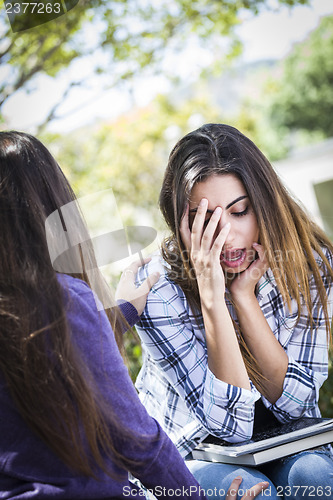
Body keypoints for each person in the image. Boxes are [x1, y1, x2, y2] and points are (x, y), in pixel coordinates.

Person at [0, 131, 269, 500]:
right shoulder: (63, 300)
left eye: (239, 211)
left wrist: (120, 314)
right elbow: (139, 442)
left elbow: (54, 367)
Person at [135, 123, 333, 499]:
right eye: (205, 221)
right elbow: (230, 427)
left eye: (239, 211)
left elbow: (297, 405)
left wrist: (245, 299)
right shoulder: (158, 291)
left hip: (285, 443)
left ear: (265, 204)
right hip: (194, 451)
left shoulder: (310, 266)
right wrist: (212, 298)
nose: (225, 236)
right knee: (251, 493)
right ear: (181, 223)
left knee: (317, 479)